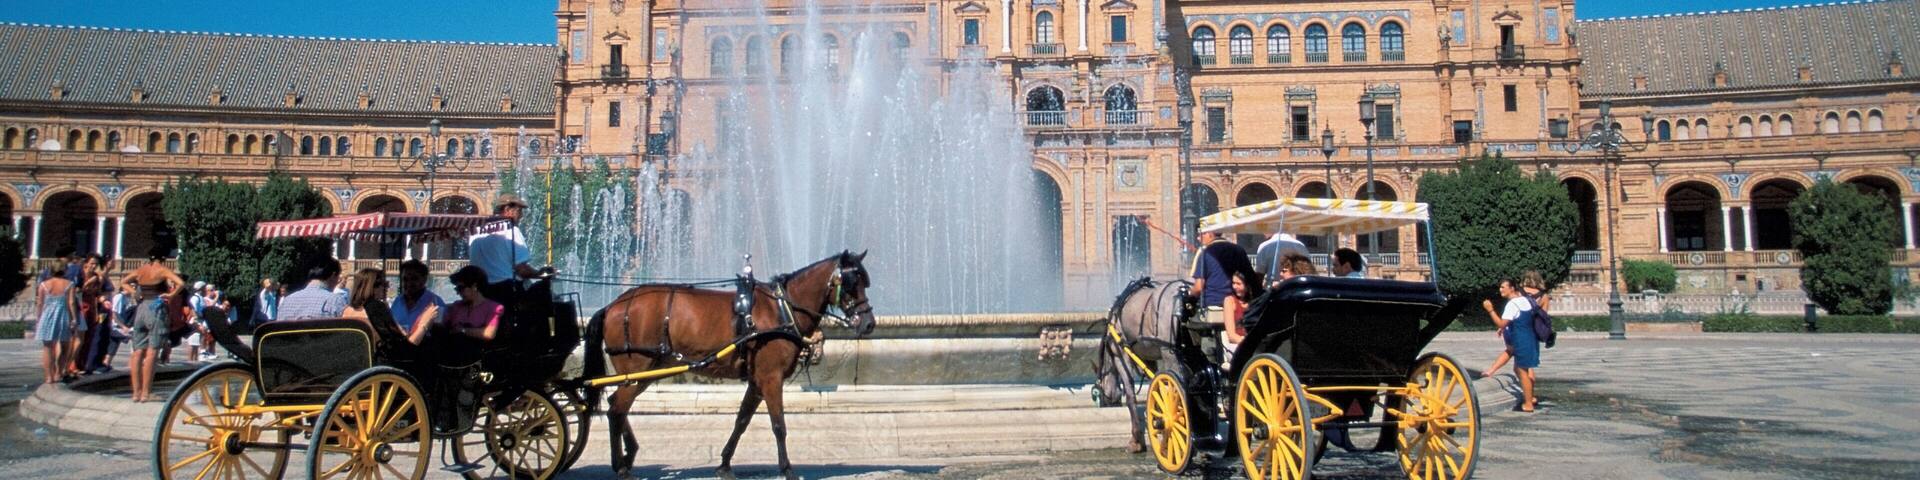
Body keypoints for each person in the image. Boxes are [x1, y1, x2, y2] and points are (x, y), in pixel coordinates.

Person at [121, 255, 185, 403]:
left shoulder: (141, 270)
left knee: (137, 352)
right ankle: (146, 393)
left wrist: (134, 292)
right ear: (162, 258)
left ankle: (135, 393)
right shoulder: (162, 270)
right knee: (152, 352)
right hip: (156, 309)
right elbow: (180, 283)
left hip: (141, 309)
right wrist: (171, 294)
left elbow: (124, 282)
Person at [1483, 278, 1541, 412]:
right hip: (1530, 338)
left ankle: (1528, 404)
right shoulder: (1525, 300)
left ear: (1512, 288)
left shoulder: (1512, 304)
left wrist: (1490, 310)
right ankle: (1530, 397)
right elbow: (1521, 319)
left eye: (1503, 287)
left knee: (1522, 370)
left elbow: (1502, 324)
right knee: (1522, 369)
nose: (1500, 289)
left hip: (1521, 340)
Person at [469, 194, 538, 305]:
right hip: (506, 292)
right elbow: (522, 270)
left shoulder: (476, 230)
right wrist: (540, 273)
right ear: (507, 210)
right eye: (519, 211)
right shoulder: (511, 230)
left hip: (481, 292)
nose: (521, 216)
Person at [1485, 271, 1553, 378]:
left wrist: (1502, 326)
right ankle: (1529, 391)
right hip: (1528, 331)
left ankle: (1491, 370)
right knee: (1526, 364)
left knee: (1510, 350)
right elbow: (1544, 316)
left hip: (1511, 327)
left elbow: (1513, 310)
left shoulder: (1520, 291)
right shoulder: (1544, 296)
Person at [36, 267, 79, 384]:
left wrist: (39, 318)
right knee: (65, 346)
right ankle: (58, 373)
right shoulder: (69, 284)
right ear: (64, 271)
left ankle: (48, 377)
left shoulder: (43, 285)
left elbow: (40, 303)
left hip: (47, 316)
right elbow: (71, 302)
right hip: (63, 315)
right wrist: (74, 319)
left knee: (48, 347)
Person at [441, 266, 502, 341]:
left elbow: (489, 333)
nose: (457, 293)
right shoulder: (456, 306)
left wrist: (462, 330)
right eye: (456, 289)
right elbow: (442, 323)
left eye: (460, 288)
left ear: (474, 286)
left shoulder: (493, 308)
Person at [391, 260, 445, 345]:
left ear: (424, 279)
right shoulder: (397, 301)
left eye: (414, 279)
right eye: (405, 279)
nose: (409, 283)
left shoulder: (436, 302)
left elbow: (439, 335)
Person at [280, 259, 349, 320]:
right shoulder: (336, 301)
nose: (338, 281)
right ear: (333, 275)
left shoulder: (287, 301)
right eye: (338, 277)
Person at [1220, 271, 1255, 363]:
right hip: (1236, 344)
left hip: (1253, 343)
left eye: (1238, 284)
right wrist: (1248, 343)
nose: (1234, 286)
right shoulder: (1229, 301)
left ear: (1247, 285)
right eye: (1233, 283)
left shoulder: (1256, 301)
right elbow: (1231, 335)